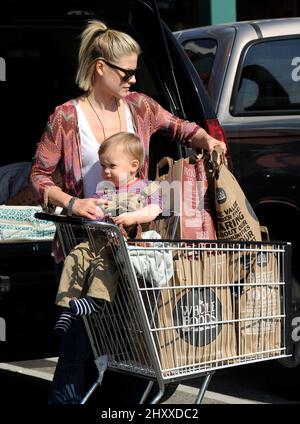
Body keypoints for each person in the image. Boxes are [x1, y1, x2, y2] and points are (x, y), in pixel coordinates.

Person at [30, 19, 226, 404]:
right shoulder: (66, 118)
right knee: (76, 355)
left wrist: (206, 137)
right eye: (127, 73)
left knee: (137, 354)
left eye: (136, 73)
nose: (134, 80)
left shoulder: (139, 108)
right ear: (100, 67)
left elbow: (181, 128)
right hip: (83, 247)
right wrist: (72, 202)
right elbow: (38, 176)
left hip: (134, 251)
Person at [55, 131, 162, 334]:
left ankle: (96, 301)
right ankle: (67, 306)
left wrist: (134, 217)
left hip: (122, 243)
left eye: (112, 166)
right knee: (76, 255)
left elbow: (155, 210)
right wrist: (88, 211)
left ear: (133, 166)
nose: (105, 171)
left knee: (104, 261)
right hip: (98, 239)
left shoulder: (147, 188)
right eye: (103, 166)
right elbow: (91, 214)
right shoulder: (103, 192)